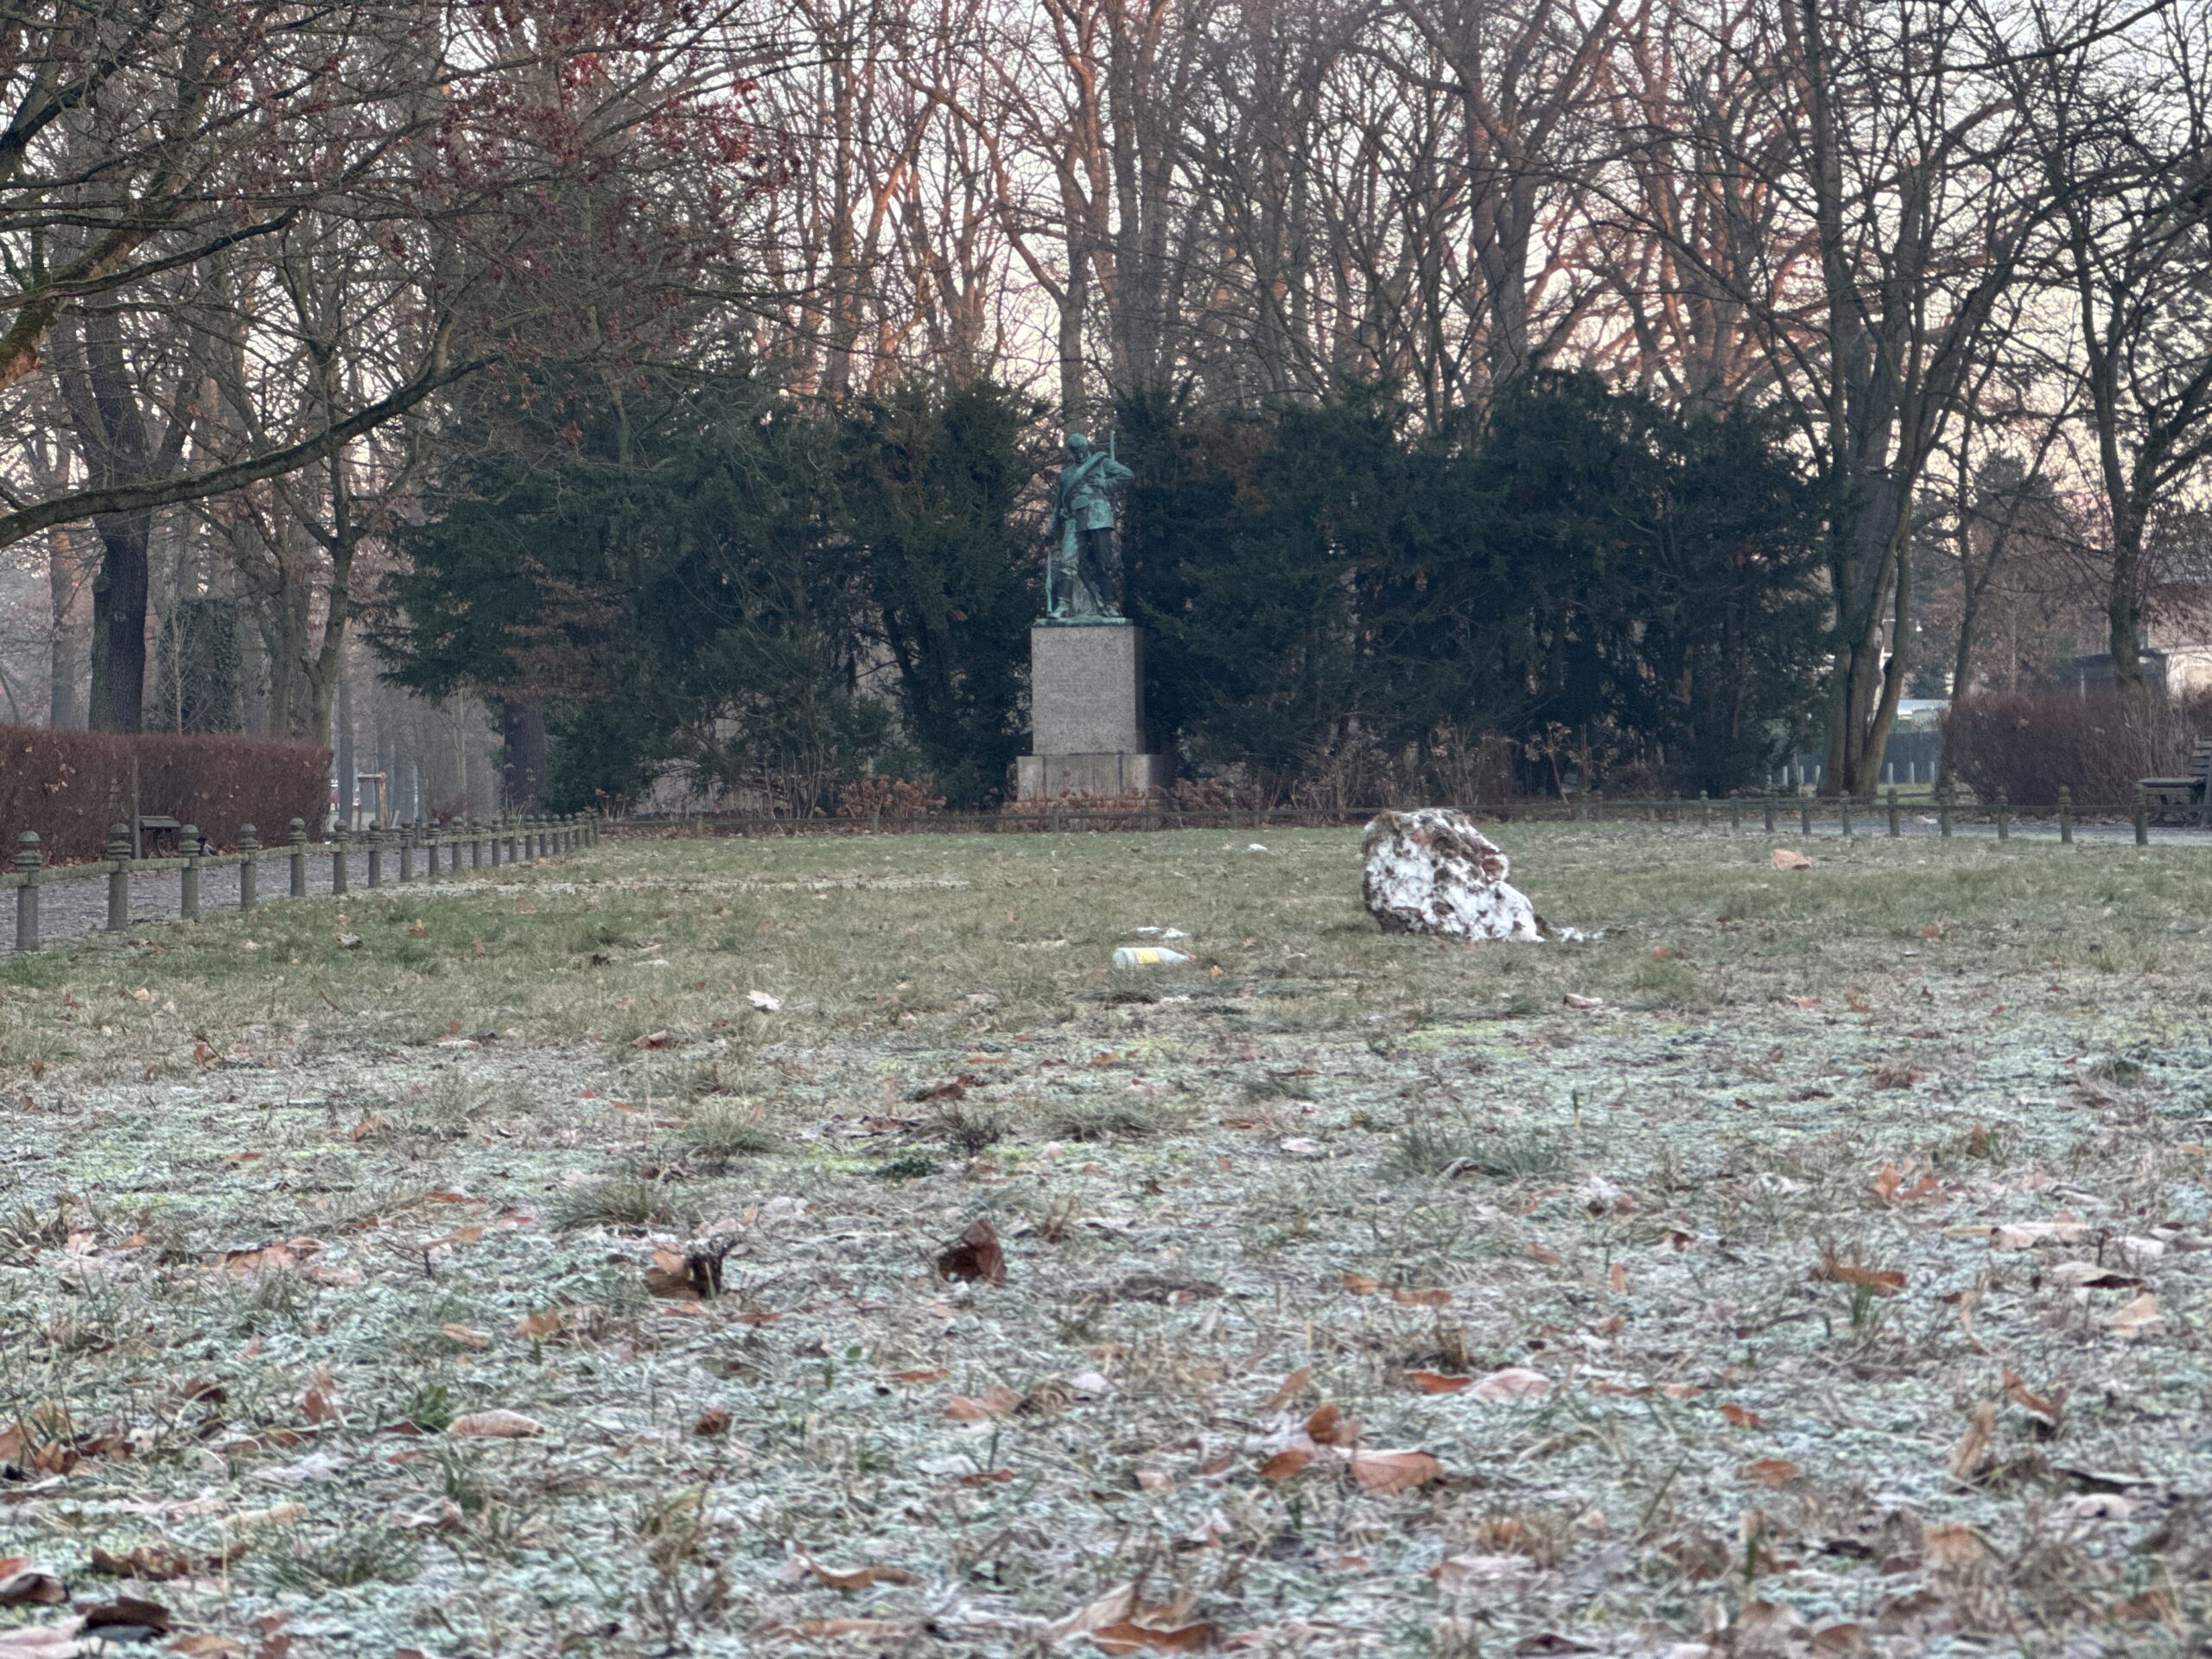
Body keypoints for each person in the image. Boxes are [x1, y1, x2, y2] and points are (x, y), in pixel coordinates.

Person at [1047, 431, 1134, 619]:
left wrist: (1105, 483)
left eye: (1082, 451)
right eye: (1076, 453)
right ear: (1071, 452)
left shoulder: (1101, 462)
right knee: (1067, 562)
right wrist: (1051, 529)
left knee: (1103, 563)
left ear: (1087, 448)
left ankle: (1109, 604)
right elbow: (1058, 505)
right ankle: (1062, 606)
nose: (1079, 456)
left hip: (1098, 517)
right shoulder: (1067, 475)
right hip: (1074, 519)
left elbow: (1127, 474)